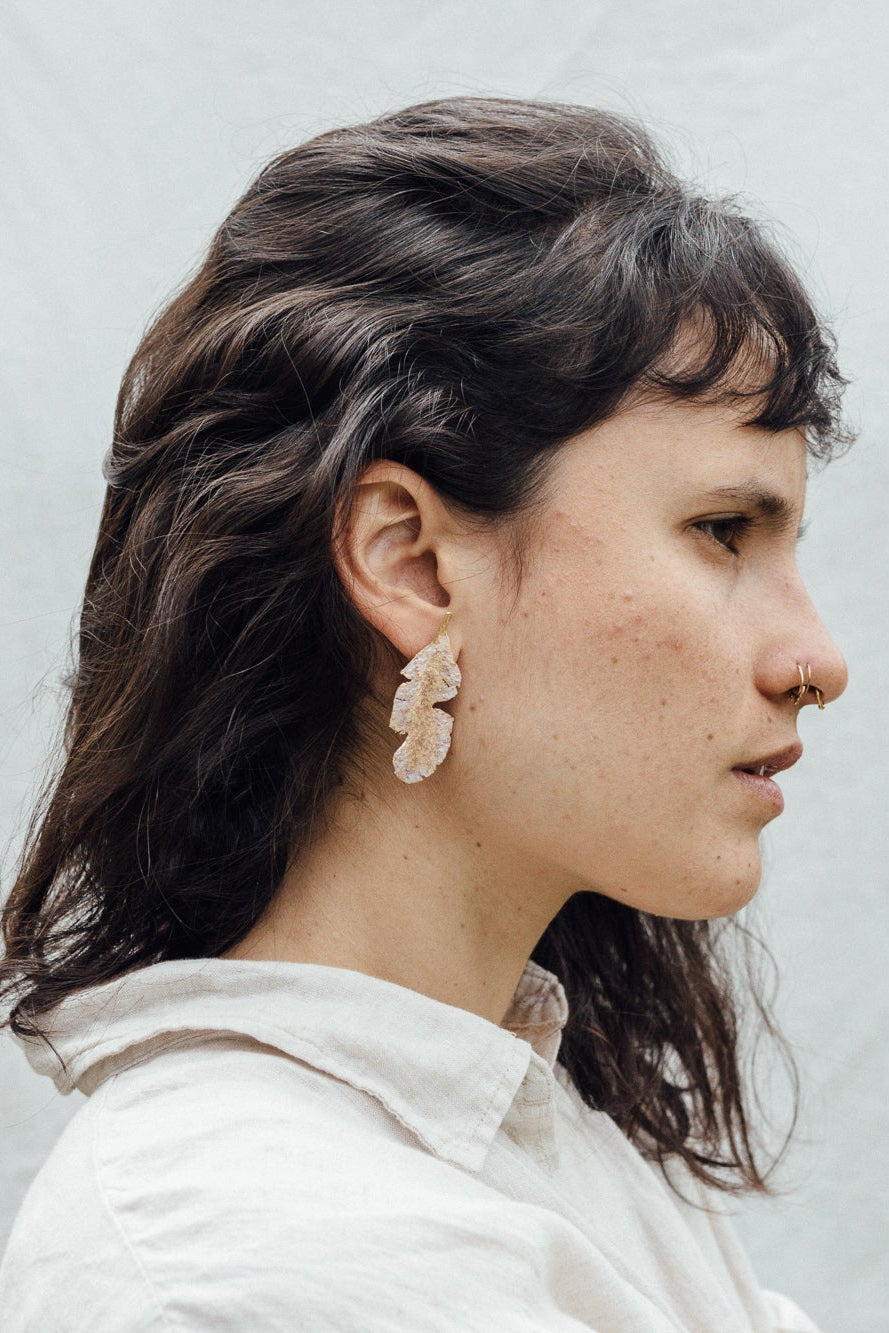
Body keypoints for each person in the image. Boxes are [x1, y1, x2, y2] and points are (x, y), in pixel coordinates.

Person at [0, 96, 851, 1331]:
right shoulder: (247, 1248)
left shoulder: (561, 1147)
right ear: (409, 562)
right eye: (722, 530)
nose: (815, 659)